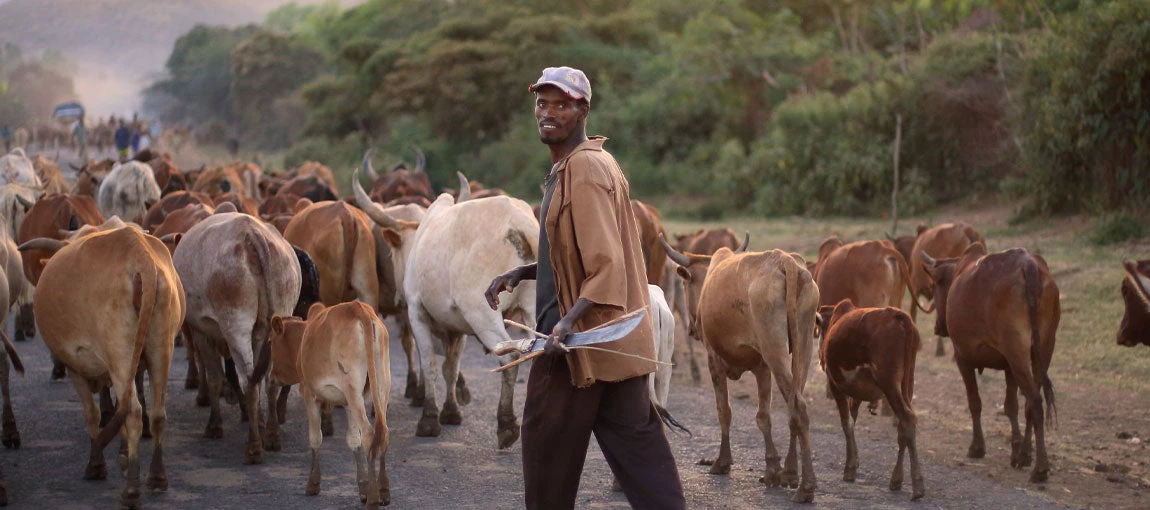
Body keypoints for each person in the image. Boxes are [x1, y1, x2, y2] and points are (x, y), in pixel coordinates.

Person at [485, 66, 684, 510]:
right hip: (619, 344)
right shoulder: (584, 163)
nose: (548, 112)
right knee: (644, 461)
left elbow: (607, 264)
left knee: (545, 454)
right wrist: (522, 273)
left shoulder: (585, 170)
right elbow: (581, 253)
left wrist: (565, 326)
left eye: (561, 104)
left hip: (578, 347)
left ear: (583, 110)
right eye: (542, 103)